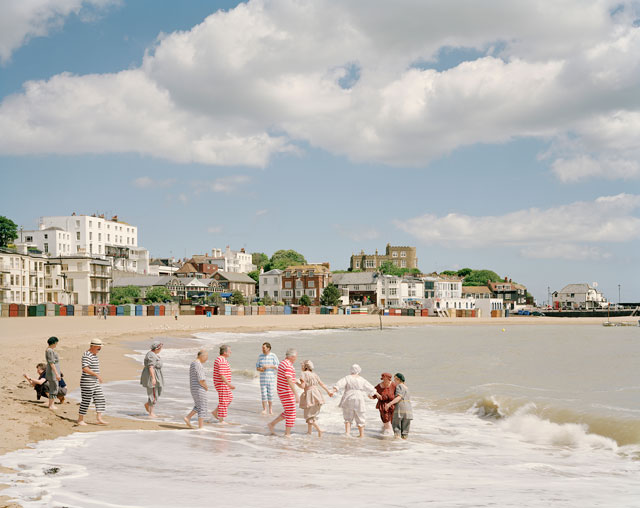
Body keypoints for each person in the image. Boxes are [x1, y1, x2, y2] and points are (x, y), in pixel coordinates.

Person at [332, 364, 377, 438]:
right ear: (359, 370)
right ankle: (361, 435)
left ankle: (347, 434)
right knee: (360, 415)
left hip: (348, 397)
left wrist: (333, 391)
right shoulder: (362, 379)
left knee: (347, 416)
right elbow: (371, 388)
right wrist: (377, 394)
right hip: (359, 397)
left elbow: (339, 385)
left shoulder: (347, 378)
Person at [268, 348, 303, 437]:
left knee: (288, 411)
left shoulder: (283, 363)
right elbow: (289, 380)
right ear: (292, 356)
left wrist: (298, 384)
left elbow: (289, 378)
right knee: (292, 412)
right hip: (286, 391)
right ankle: (287, 434)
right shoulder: (288, 365)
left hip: (282, 390)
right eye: (295, 357)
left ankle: (272, 424)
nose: (296, 358)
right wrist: (296, 394)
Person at [77, 339, 107, 426]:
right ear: (93, 346)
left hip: (94, 382)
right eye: (98, 348)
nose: (100, 349)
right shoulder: (87, 355)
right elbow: (85, 368)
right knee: (86, 400)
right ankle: (80, 420)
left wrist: (96, 377)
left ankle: (99, 418)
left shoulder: (94, 355)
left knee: (100, 398)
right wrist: (96, 375)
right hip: (87, 382)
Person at [299, 360, 333, 437]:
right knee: (311, 414)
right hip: (317, 395)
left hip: (309, 395)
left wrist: (295, 382)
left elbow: (302, 386)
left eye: (302, 366)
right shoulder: (315, 375)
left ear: (305, 367)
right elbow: (322, 384)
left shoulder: (303, 374)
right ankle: (309, 432)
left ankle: (319, 430)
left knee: (308, 415)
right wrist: (328, 392)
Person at [184, 350, 209, 429]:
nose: (206, 359)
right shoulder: (198, 364)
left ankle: (188, 417)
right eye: (206, 357)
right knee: (202, 407)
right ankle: (201, 427)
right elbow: (201, 379)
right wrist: (206, 387)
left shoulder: (193, 363)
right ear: (202, 356)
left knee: (198, 406)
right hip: (199, 388)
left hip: (194, 388)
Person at [385, 373, 413, 439]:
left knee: (396, 428)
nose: (394, 382)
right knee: (405, 432)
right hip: (408, 410)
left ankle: (396, 446)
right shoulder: (406, 388)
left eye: (395, 380)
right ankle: (403, 446)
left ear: (398, 379)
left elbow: (399, 397)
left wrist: (389, 404)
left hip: (400, 409)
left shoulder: (399, 386)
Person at [140, 341, 164, 418]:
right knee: (153, 393)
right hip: (152, 376)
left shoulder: (153, 354)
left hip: (156, 375)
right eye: (160, 348)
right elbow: (151, 367)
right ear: (157, 348)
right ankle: (151, 413)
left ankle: (148, 405)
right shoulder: (151, 355)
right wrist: (153, 378)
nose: (161, 349)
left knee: (157, 392)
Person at [212, 344, 235, 423]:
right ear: (225, 352)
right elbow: (221, 375)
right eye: (229, 351)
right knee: (224, 400)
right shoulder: (221, 360)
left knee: (229, 398)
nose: (231, 352)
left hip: (224, 384)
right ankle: (221, 420)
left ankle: (215, 412)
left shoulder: (223, 359)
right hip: (222, 384)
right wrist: (229, 384)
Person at [256, 342, 279, 414]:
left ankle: (270, 409)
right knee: (263, 394)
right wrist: (260, 369)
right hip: (262, 377)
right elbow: (257, 367)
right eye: (262, 348)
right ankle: (264, 409)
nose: (262, 349)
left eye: (264, 348)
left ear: (268, 348)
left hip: (271, 377)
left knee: (270, 394)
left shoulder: (273, 355)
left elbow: (277, 366)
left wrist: (268, 366)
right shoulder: (260, 356)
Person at [45, 336, 62, 410]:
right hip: (52, 372)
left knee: (54, 386)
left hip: (54, 371)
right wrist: (56, 373)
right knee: (54, 387)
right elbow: (51, 363)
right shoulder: (49, 351)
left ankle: (51, 404)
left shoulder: (50, 350)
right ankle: (51, 405)